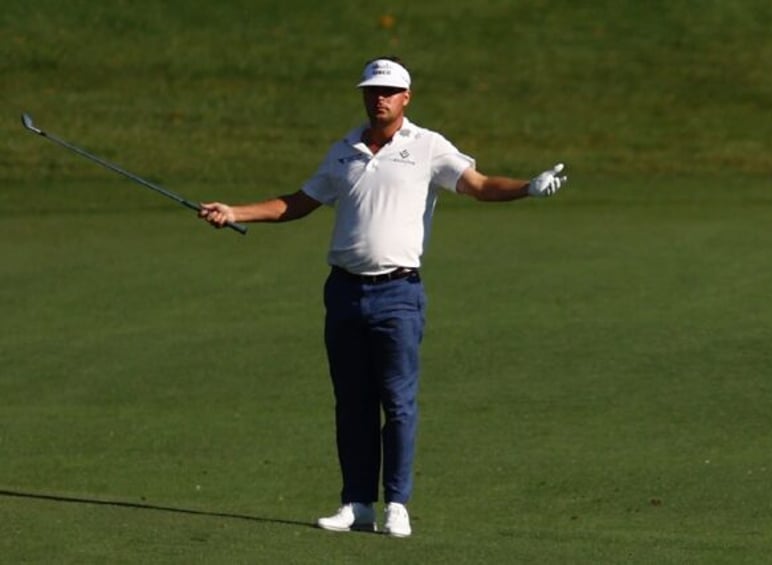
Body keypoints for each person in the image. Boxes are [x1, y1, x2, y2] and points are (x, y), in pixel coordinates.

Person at [198, 56, 567, 538]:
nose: (379, 98)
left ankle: (396, 503)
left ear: (406, 97)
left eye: (388, 91)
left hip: (398, 292)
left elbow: (477, 186)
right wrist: (235, 210)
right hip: (345, 292)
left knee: (398, 402)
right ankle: (357, 504)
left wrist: (526, 189)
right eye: (372, 91)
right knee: (352, 402)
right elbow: (299, 202)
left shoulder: (428, 147)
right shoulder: (343, 150)